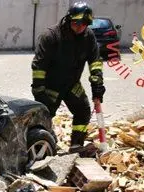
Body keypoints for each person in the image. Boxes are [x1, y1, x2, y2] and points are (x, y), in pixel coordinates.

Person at [31, 2, 105, 155]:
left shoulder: (88, 36)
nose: (80, 27)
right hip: (51, 87)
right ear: (69, 19)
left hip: (72, 85)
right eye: (76, 23)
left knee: (83, 111)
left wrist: (97, 86)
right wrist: (39, 91)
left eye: (84, 24)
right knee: (44, 117)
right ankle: (44, 148)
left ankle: (76, 145)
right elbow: (39, 66)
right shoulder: (51, 36)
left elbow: (95, 62)